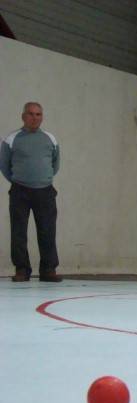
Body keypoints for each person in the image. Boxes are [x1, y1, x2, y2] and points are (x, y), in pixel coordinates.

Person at [0, 102, 62, 282]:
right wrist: (19, 179)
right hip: (20, 191)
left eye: (38, 114)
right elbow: (4, 165)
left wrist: (43, 178)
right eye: (31, 114)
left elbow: (55, 164)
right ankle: (22, 269)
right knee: (18, 232)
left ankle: (48, 270)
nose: (35, 118)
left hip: (45, 192)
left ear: (42, 117)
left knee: (47, 231)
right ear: (23, 116)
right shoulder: (12, 139)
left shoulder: (50, 139)